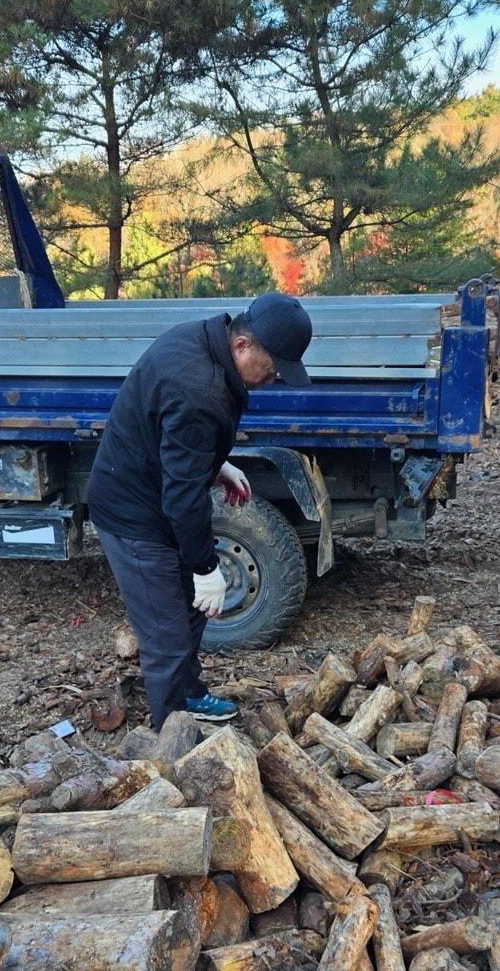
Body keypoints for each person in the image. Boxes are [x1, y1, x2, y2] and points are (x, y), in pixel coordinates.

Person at [87, 292, 313, 729]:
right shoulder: (199, 387)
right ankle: (172, 733)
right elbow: (182, 498)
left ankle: (188, 694)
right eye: (270, 369)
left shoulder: (205, 338)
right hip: (133, 512)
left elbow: (171, 431)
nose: (270, 381)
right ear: (244, 345)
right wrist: (207, 568)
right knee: (166, 631)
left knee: (191, 609)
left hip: (156, 489)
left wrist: (215, 462)